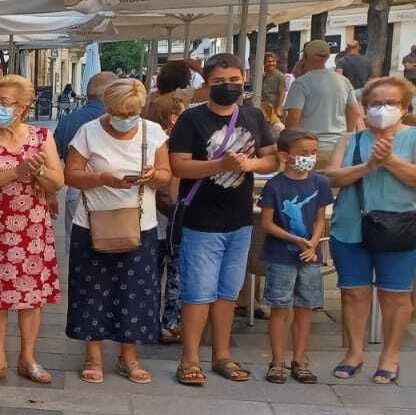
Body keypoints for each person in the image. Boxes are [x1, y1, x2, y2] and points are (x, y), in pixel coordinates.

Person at [169, 52, 279, 385]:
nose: (228, 87)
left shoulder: (254, 117)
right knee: (198, 291)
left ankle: (222, 355)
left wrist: (250, 166)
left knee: (229, 292)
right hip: (202, 219)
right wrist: (220, 166)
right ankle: (189, 358)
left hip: (240, 218)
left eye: (233, 80)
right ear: (207, 83)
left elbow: (271, 159)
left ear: (244, 79)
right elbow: (179, 165)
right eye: (219, 82)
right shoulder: (192, 119)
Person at [64, 77, 172, 383]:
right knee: (91, 291)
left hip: (140, 225)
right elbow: (70, 175)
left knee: (136, 293)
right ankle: (93, 357)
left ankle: (129, 357)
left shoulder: (153, 133)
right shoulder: (88, 132)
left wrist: (153, 175)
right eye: (120, 112)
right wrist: (101, 178)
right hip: (93, 223)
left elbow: (166, 174)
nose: (125, 118)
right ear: (109, 107)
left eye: (132, 112)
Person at [0, 74, 62, 384]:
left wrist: (39, 174)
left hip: (32, 230)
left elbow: (58, 182)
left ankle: (28, 357)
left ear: (23, 107)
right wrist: (15, 172)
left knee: (31, 297)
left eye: (6, 103)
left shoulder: (42, 137)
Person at [323, 75, 416, 384]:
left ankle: (390, 356)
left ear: (404, 107)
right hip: (350, 226)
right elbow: (333, 176)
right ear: (364, 107)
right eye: (376, 103)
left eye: (391, 103)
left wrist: (388, 159)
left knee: (395, 295)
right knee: (352, 293)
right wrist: (368, 166)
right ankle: (354, 352)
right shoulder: (350, 139)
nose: (383, 109)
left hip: (398, 227)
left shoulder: (412, 138)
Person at [259, 129, 331, 385]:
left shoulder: (320, 182)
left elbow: (320, 217)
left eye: (313, 153)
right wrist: (296, 240)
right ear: (285, 155)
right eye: (303, 153)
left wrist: (312, 242)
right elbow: (267, 223)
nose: (309, 158)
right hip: (281, 255)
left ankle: (300, 360)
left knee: (306, 308)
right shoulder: (275, 184)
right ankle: (277, 361)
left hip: (309, 256)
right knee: (280, 308)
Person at [145, 93, 185, 344]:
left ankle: (148, 322)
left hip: (151, 220)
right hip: (170, 218)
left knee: (151, 274)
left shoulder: (147, 140)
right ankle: (171, 324)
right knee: (175, 273)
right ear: (173, 118)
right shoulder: (172, 144)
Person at [284, 39, 361, 168]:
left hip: (309, 150)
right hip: (339, 150)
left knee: (306, 184)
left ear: (306, 57)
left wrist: (288, 145)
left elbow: (293, 117)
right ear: (326, 57)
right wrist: (346, 137)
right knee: (334, 185)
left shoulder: (301, 83)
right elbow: (354, 112)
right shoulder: (343, 81)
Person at [55, 71, 117, 231]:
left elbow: (54, 159)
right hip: (114, 191)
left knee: (76, 245)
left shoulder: (68, 120)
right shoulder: (118, 120)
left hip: (76, 191)